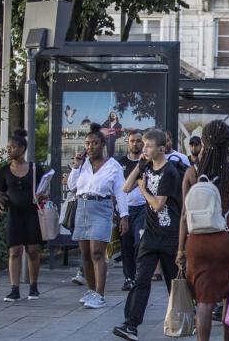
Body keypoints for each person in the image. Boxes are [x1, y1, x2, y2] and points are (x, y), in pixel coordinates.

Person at [177, 120, 229, 341]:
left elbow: (184, 215)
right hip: (227, 240)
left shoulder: (191, 173)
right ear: (228, 144)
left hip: (197, 243)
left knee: (204, 301)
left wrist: (180, 250)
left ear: (203, 142)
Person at [113, 129, 182, 341]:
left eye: (149, 146)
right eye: (144, 145)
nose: (145, 149)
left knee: (175, 283)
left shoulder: (170, 172)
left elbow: (158, 205)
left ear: (161, 149)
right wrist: (139, 166)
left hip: (170, 235)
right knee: (140, 279)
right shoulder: (146, 165)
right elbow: (125, 188)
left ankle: (187, 318)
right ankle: (130, 325)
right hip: (150, 236)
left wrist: (143, 189)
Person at [68, 127, 129, 309]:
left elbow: (121, 191)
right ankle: (91, 291)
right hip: (82, 206)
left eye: (95, 143)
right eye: (87, 143)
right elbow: (73, 187)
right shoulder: (83, 164)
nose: (90, 147)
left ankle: (100, 295)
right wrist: (76, 166)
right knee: (85, 252)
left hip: (101, 206)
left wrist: (124, 215)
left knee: (97, 252)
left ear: (102, 144)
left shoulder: (113, 165)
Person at [0, 129, 45, 302]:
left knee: (33, 251)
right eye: (8, 147)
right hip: (14, 214)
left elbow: (44, 190)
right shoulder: (4, 170)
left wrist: (43, 195)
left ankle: (33, 287)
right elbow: (0, 192)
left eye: (12, 147)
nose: (9, 150)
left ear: (22, 149)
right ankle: (14, 289)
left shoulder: (36, 168)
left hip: (32, 213)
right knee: (14, 251)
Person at [115, 130, 147, 291]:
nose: (135, 144)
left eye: (139, 141)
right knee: (126, 244)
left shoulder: (147, 162)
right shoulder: (119, 163)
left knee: (138, 242)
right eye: (132, 141)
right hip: (124, 209)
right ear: (128, 143)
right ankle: (129, 277)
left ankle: (139, 275)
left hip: (143, 207)